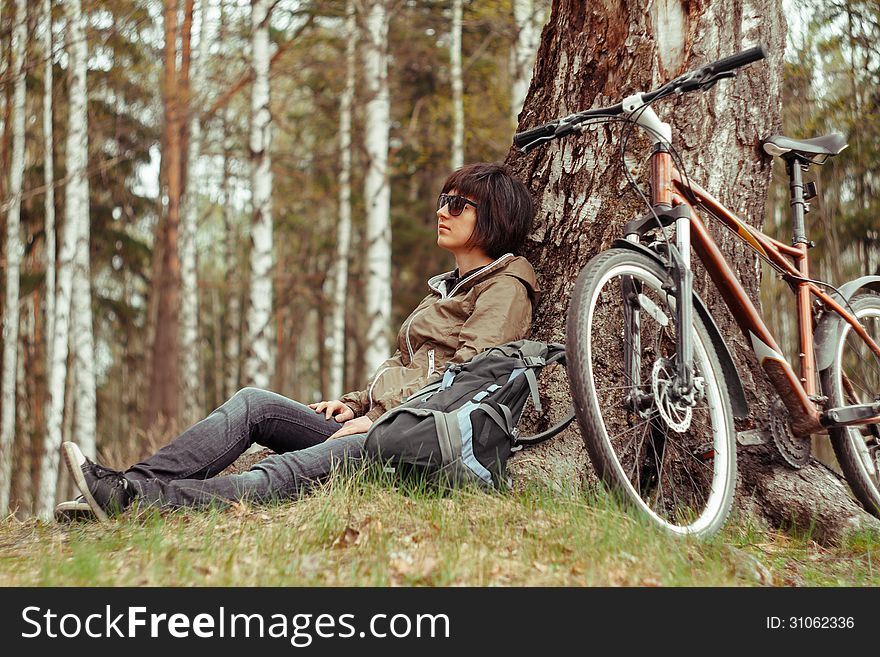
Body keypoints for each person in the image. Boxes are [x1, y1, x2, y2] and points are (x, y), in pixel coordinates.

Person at [59, 162, 540, 521]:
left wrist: (379, 418)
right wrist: (354, 405)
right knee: (254, 404)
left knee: (281, 473)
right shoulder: (447, 288)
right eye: (442, 199)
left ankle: (134, 503)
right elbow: (407, 364)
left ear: (494, 216)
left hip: (414, 446)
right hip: (384, 425)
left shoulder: (506, 286)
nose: (442, 211)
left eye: (458, 205)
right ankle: (127, 484)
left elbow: (466, 379)